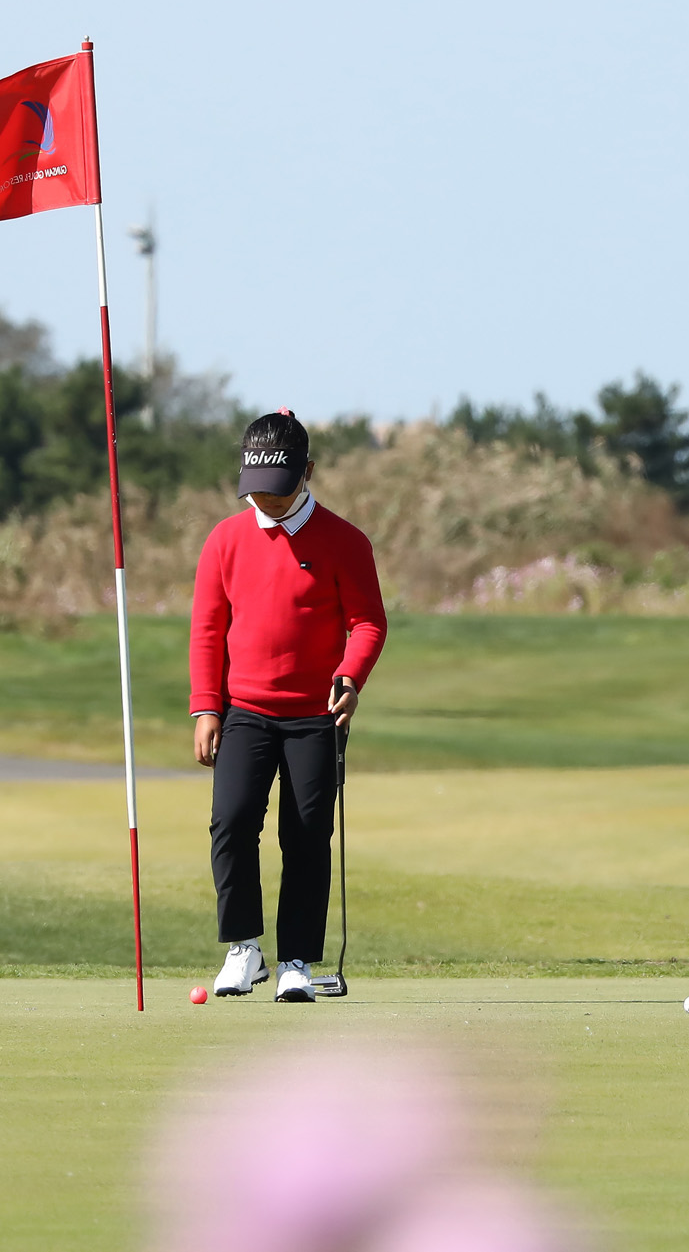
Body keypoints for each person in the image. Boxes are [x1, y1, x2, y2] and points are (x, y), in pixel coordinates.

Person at [190, 410, 387, 1003]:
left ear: (307, 472)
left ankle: (296, 959)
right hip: (245, 707)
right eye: (256, 491)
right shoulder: (225, 539)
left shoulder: (344, 541)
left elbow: (367, 622)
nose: (266, 503)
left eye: (277, 491)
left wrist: (351, 677)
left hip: (313, 715)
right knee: (231, 821)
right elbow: (207, 628)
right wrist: (206, 708)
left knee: (305, 835)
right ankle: (244, 951)